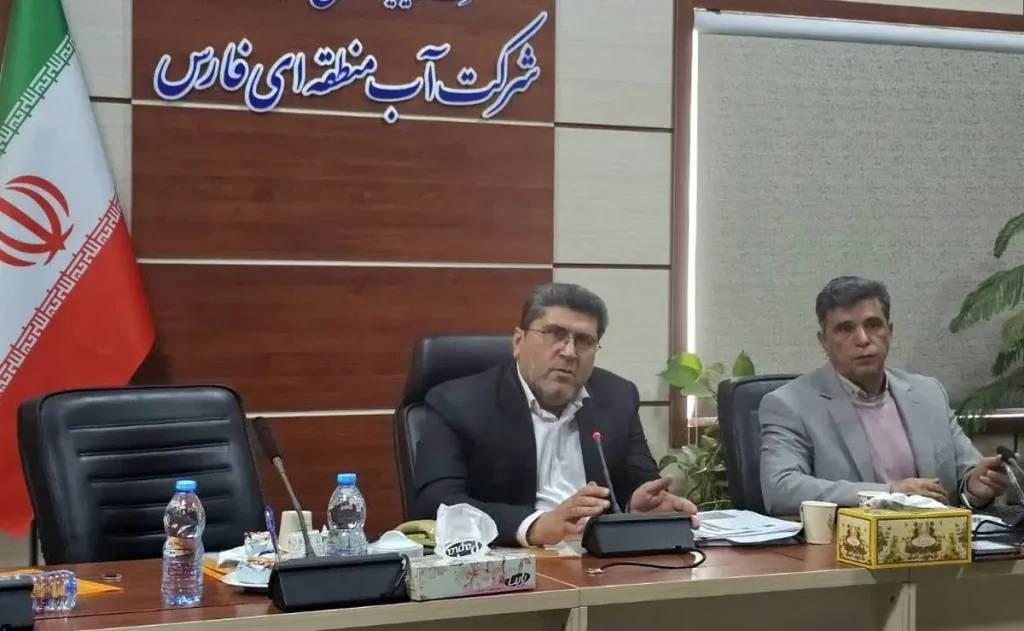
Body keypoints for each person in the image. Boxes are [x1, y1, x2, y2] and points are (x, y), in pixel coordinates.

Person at [413, 282, 698, 547]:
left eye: (584, 341)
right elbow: (437, 503)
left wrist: (638, 508)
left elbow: (640, 485)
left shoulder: (618, 397)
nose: (569, 352)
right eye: (555, 335)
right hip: (513, 562)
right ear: (518, 341)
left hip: (598, 559)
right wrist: (533, 526)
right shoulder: (458, 402)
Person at [759, 276, 1009, 516]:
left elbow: (966, 477)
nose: (863, 340)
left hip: (936, 540)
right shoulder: (790, 405)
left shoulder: (928, 394)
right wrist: (889, 494)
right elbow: (781, 489)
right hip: (847, 543)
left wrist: (975, 488)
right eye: (845, 329)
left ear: (889, 331)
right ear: (824, 341)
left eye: (873, 325)